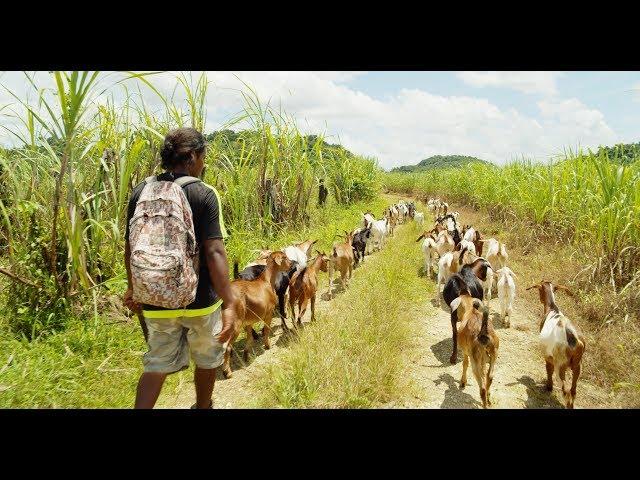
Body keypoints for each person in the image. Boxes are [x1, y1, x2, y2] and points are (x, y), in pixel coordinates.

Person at [123, 127, 237, 409]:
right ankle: (202, 406)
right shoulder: (203, 193)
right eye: (203, 157)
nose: (204, 163)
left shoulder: (141, 191)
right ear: (194, 156)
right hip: (200, 300)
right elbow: (214, 251)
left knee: (156, 364)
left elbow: (130, 247)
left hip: (156, 298)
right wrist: (230, 303)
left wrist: (136, 288)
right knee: (208, 358)